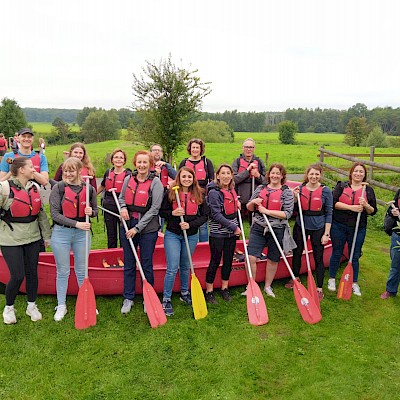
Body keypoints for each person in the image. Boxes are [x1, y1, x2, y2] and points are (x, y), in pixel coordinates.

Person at [0, 157, 51, 324]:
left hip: (33, 238)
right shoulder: (4, 188)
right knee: (17, 275)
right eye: (30, 166)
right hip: (10, 239)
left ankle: (31, 305)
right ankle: (9, 307)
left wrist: (47, 236)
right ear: (21, 170)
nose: (33, 169)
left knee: (32, 273)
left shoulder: (34, 187)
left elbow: (41, 214)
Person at [50, 157, 98, 321]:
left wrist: (91, 212)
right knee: (62, 270)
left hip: (81, 235)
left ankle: (86, 301)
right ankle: (61, 305)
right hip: (61, 233)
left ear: (79, 171)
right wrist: (77, 223)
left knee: (82, 270)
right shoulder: (58, 188)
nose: (68, 174)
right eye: (65, 170)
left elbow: (96, 211)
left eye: (71, 170)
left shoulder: (89, 188)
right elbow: (55, 214)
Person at [118, 150, 164, 314]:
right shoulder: (128, 179)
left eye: (145, 162)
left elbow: (154, 209)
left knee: (146, 264)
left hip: (147, 229)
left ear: (150, 164)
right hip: (128, 224)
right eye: (139, 162)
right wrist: (123, 208)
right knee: (129, 263)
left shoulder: (156, 183)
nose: (142, 165)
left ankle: (148, 297)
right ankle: (128, 297)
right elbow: (122, 198)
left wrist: (137, 229)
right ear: (135, 163)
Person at [159, 166, 208, 316]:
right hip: (173, 234)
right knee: (173, 267)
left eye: (189, 177)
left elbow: (205, 216)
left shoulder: (199, 194)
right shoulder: (170, 193)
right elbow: (162, 211)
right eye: (184, 177)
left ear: (193, 179)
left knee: (186, 265)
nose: (186, 179)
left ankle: (184, 292)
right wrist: (172, 213)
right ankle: (166, 299)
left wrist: (190, 224)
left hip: (191, 235)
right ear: (179, 178)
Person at [328, 163, 377, 296]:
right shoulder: (341, 186)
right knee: (337, 252)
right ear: (351, 173)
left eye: (361, 172)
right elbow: (333, 203)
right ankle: (331, 278)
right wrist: (352, 208)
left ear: (364, 174)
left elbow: (373, 211)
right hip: (339, 225)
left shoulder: (368, 190)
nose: (358, 174)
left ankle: (354, 282)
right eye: (356, 171)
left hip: (358, 228)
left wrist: (366, 205)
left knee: (354, 255)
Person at [246, 163, 294, 298]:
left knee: (273, 259)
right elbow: (249, 208)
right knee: (250, 257)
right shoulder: (261, 188)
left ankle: (268, 286)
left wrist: (267, 211)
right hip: (259, 227)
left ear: (282, 176)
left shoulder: (286, 192)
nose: (275, 176)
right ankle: (251, 286)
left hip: (277, 228)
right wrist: (252, 203)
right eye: (272, 173)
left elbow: (287, 214)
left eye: (278, 173)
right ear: (269, 175)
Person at [287, 164, 333, 300]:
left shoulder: (325, 191)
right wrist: (294, 197)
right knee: (297, 252)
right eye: (311, 174)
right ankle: (295, 278)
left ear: (320, 175)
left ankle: (319, 287)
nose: (314, 177)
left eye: (317, 174)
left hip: (318, 227)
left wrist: (326, 233)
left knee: (318, 256)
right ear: (307, 175)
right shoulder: (300, 189)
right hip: (301, 225)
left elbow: (329, 212)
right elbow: (294, 208)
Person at [205, 164, 241, 304]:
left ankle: (224, 288)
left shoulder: (231, 189)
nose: (226, 176)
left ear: (232, 175)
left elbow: (231, 211)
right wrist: (234, 227)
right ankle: (209, 291)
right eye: (223, 173)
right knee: (214, 260)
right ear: (218, 176)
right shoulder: (214, 192)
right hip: (218, 234)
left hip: (231, 234)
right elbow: (216, 214)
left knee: (228, 261)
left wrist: (237, 203)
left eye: (228, 173)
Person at [179, 138, 214, 242]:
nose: (195, 150)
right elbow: (179, 179)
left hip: (202, 197)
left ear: (201, 149)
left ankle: (203, 247)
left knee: (203, 225)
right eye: (193, 147)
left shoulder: (207, 162)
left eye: (197, 148)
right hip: (187, 196)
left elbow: (212, 180)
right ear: (190, 149)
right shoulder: (184, 162)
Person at [97, 149, 132, 248]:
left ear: (124, 160)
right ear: (112, 159)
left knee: (123, 233)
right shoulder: (108, 172)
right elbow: (102, 186)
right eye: (116, 157)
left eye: (121, 158)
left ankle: (123, 254)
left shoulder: (128, 174)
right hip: (109, 206)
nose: (118, 160)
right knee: (111, 234)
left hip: (122, 206)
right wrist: (91, 197)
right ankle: (112, 255)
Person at [232, 138, 266, 221]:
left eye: (251, 147)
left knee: (255, 223)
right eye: (246, 147)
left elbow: (266, 182)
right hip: (240, 197)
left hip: (255, 198)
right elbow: (234, 180)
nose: (248, 149)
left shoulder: (260, 162)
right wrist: (247, 171)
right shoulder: (237, 162)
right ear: (243, 148)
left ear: (254, 149)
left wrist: (257, 175)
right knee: (239, 223)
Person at [150, 143, 177, 230]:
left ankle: (160, 235)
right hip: (150, 195)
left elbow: (177, 176)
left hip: (163, 195)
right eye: (155, 150)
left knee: (161, 219)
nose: (157, 152)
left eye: (159, 151)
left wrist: (167, 165)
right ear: (150, 153)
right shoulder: (147, 165)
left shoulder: (166, 166)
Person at [381, 190, 400, 299]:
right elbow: (393, 210)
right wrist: (393, 213)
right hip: (398, 234)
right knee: (395, 265)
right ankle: (391, 290)